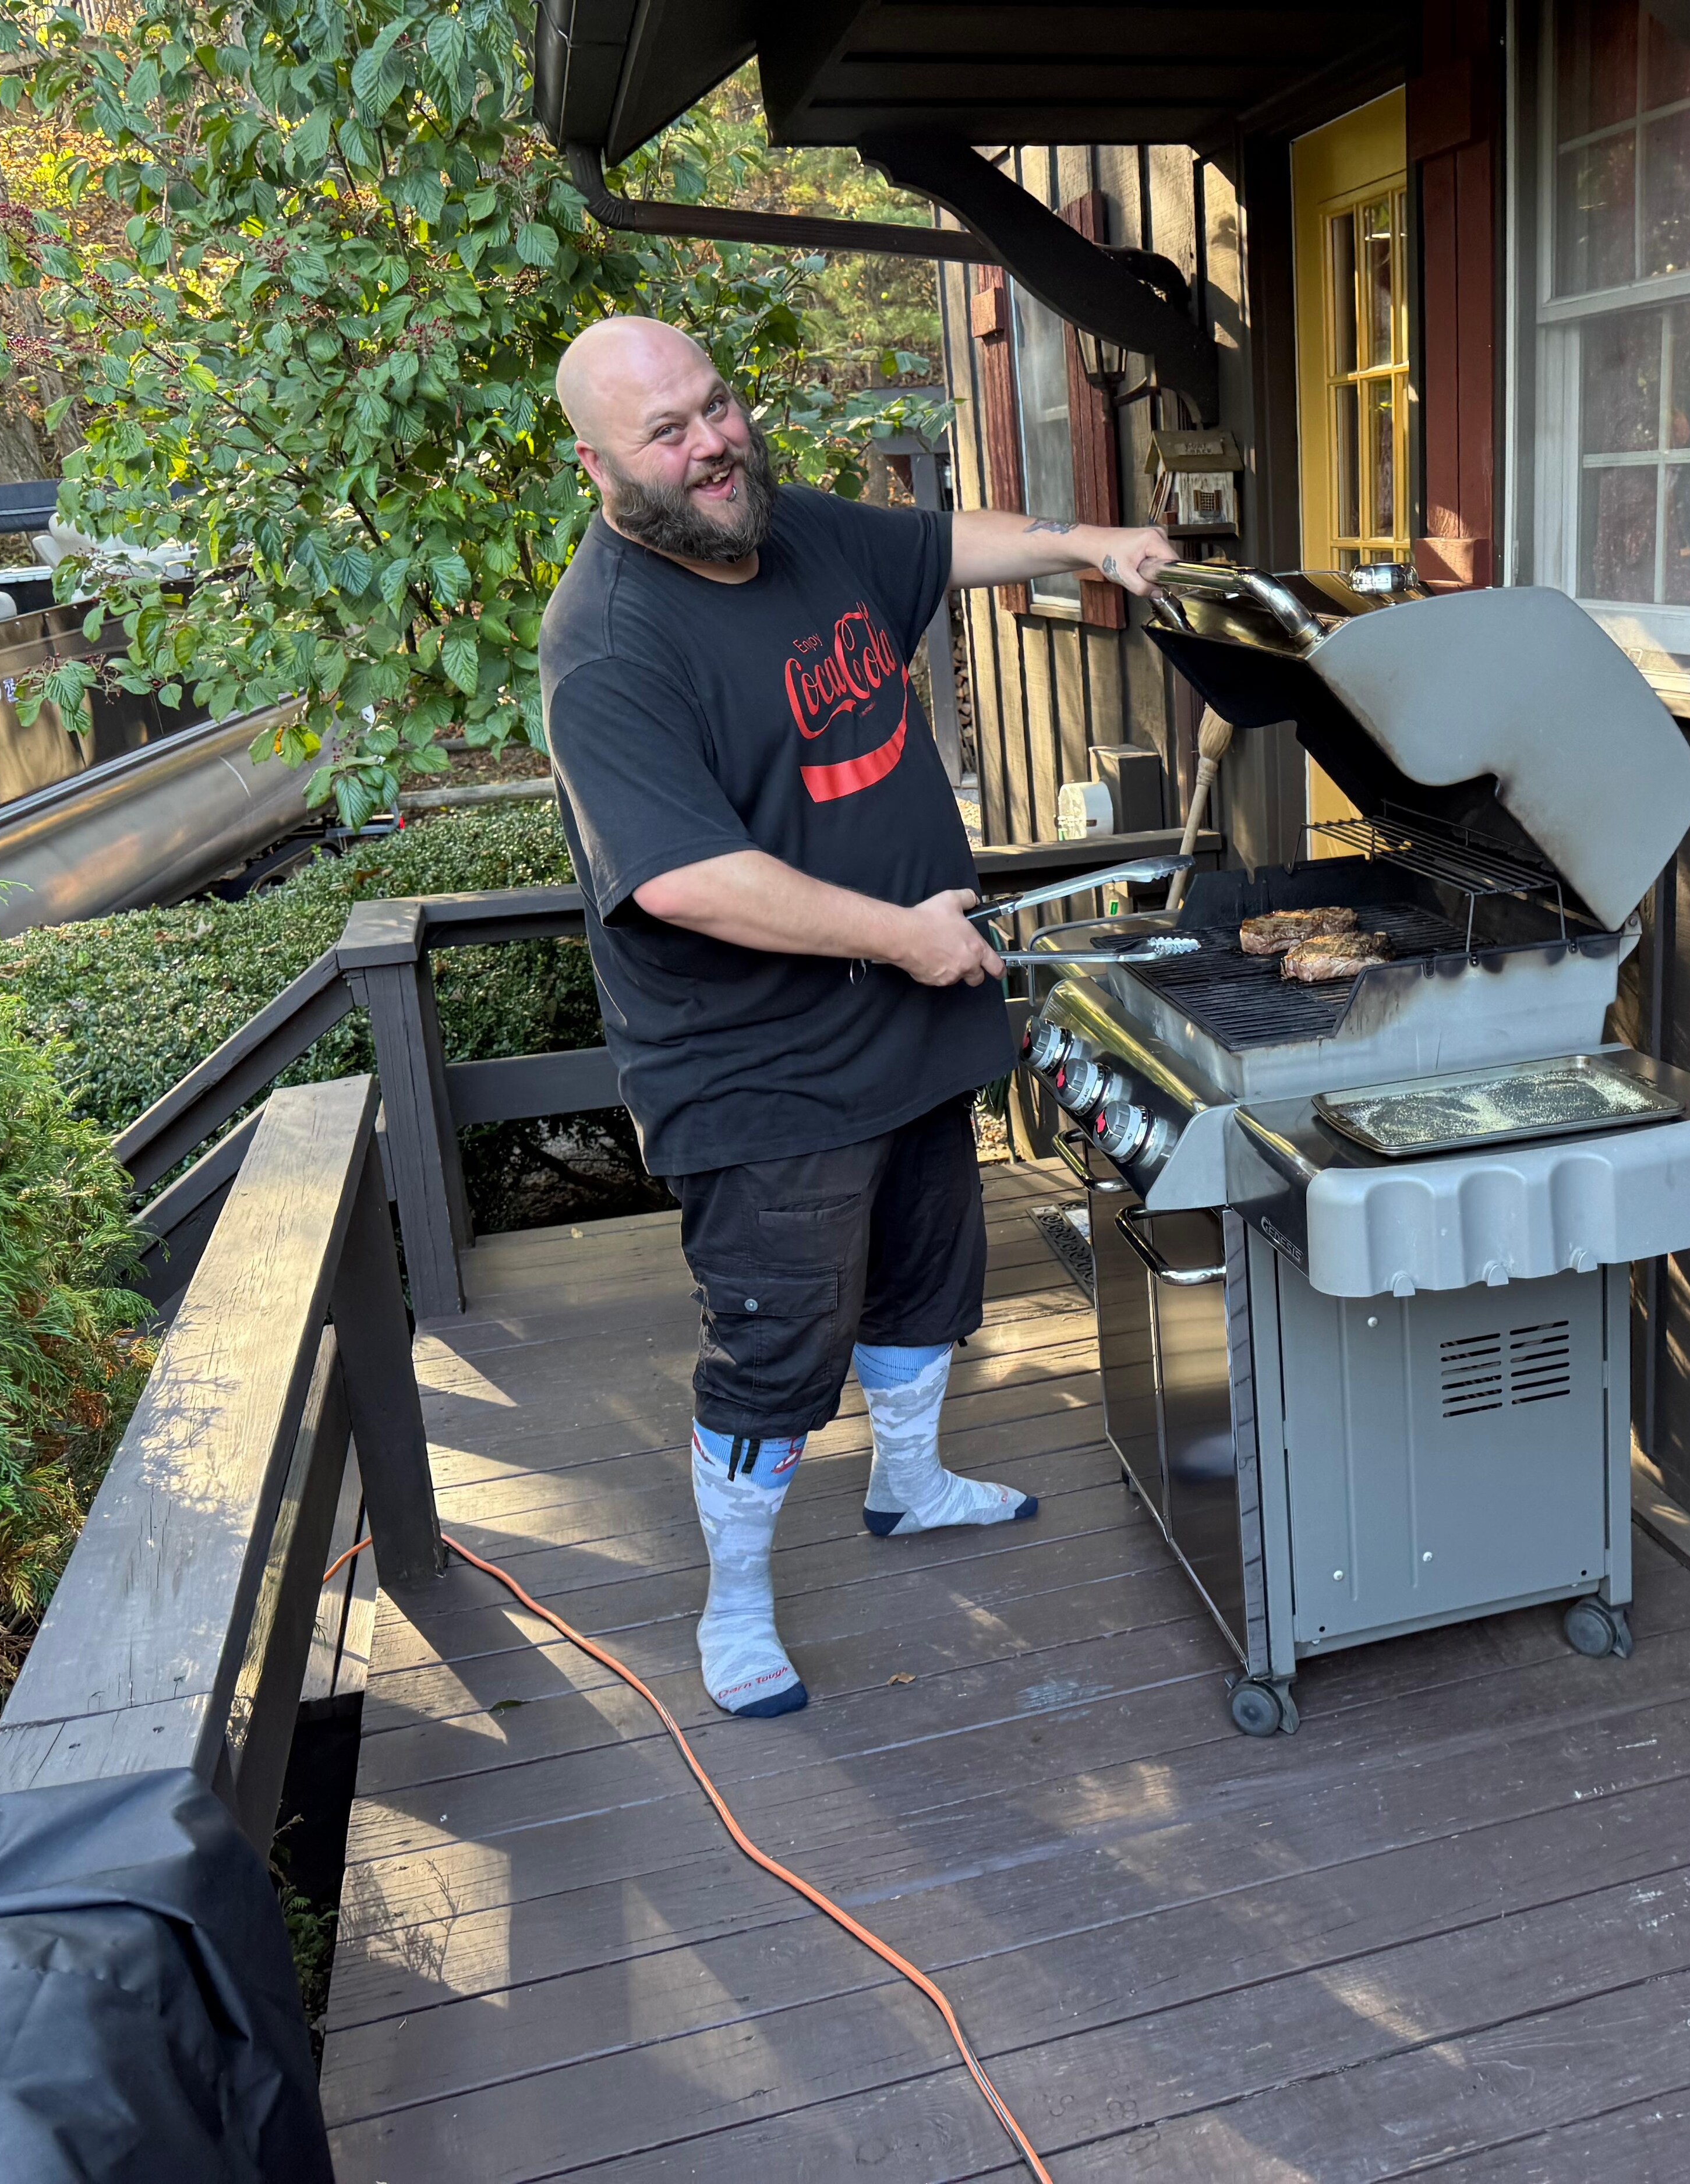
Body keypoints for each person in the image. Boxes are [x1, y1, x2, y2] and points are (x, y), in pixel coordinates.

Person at [539, 315, 1175, 1719]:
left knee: (926, 1277)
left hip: (907, 1012)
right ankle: (739, 1604)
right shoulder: (607, 644)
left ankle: (909, 1484)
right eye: (668, 432)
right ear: (595, 461)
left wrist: (1092, 546)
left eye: (716, 407)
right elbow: (691, 879)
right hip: (760, 1069)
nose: (711, 444)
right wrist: (905, 938)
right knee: (776, 1342)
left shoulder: (789, 527)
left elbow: (946, 545)